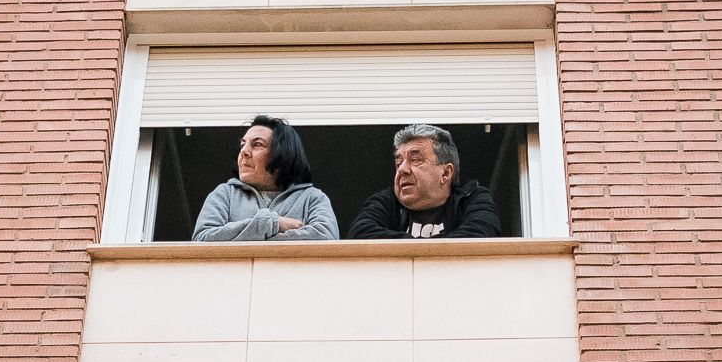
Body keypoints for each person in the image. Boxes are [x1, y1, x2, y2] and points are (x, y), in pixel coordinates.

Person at [193, 115, 339, 243]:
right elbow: (202, 240)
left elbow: (326, 238)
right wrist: (273, 223)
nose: (244, 151)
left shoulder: (312, 198)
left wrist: (246, 238)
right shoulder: (225, 194)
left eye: (257, 144)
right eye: (243, 144)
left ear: (283, 154)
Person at [348, 124, 502, 241]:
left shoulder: (471, 198)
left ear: (446, 173)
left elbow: (480, 237)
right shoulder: (386, 201)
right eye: (398, 163)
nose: (402, 169)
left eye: (415, 160)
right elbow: (360, 234)